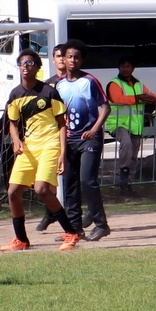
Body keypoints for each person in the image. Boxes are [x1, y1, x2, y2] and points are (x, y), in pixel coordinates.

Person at [1, 49, 82, 251]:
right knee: (12, 192)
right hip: (29, 147)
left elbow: (62, 124)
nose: (25, 66)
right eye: (22, 63)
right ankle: (21, 240)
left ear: (37, 68)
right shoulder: (15, 94)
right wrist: (16, 139)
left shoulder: (49, 92)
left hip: (49, 144)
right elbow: (12, 122)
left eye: (30, 62)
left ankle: (71, 233)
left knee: (41, 189)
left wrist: (63, 153)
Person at [56, 39, 111, 242]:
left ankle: (101, 224)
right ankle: (75, 229)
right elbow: (58, 115)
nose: (72, 60)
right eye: (69, 56)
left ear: (82, 60)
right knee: (69, 184)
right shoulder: (59, 85)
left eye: (76, 57)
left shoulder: (89, 81)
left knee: (87, 180)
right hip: (69, 140)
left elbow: (105, 108)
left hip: (89, 139)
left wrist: (94, 129)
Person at [105, 55, 156, 196]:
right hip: (118, 124)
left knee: (134, 153)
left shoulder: (138, 84)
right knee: (126, 144)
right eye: (123, 66)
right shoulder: (114, 84)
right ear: (119, 68)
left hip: (135, 125)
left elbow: (151, 95)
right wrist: (139, 98)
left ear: (133, 69)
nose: (125, 69)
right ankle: (123, 176)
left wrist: (151, 99)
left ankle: (128, 183)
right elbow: (117, 99)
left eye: (128, 66)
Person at [36, 44, 67, 231]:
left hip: (73, 134)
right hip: (53, 136)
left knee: (75, 178)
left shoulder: (76, 80)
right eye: (58, 56)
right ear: (53, 59)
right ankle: (51, 214)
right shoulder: (47, 85)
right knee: (51, 179)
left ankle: (78, 217)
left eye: (65, 55)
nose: (62, 59)